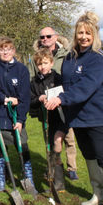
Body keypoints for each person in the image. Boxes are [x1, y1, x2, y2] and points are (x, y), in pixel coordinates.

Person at [45, 11, 103, 205]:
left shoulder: (98, 59)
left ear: (94, 35)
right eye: (80, 32)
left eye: (87, 33)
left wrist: (61, 98)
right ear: (75, 34)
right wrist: (53, 97)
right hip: (78, 117)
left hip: (97, 117)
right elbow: (67, 84)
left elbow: (85, 88)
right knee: (89, 156)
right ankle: (99, 195)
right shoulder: (70, 57)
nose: (83, 37)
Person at [0, 36, 36, 193]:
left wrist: (20, 119)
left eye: (8, 49)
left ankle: (29, 180)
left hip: (14, 117)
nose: (5, 52)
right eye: (1, 49)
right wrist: (3, 99)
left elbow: (24, 97)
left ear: (14, 50)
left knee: (22, 146)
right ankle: (1, 180)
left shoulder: (22, 70)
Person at [29, 26, 79, 180]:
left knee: (68, 138)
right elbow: (32, 79)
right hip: (46, 108)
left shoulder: (66, 53)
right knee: (50, 140)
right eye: (42, 37)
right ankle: (54, 167)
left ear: (55, 37)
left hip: (63, 106)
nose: (45, 39)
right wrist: (39, 98)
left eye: (48, 36)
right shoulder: (35, 57)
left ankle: (72, 168)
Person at [29, 49, 67, 191]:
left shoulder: (58, 78)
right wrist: (39, 98)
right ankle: (55, 178)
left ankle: (57, 177)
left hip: (61, 117)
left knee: (57, 142)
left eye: (45, 63)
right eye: (39, 64)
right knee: (50, 146)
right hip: (47, 120)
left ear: (51, 63)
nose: (42, 66)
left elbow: (65, 94)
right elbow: (30, 100)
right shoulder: (34, 82)